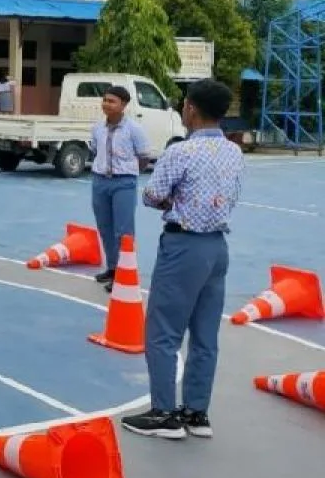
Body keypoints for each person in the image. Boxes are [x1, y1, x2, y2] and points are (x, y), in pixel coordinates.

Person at [121, 79, 243, 440]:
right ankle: (196, 411)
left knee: (162, 332)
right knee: (205, 335)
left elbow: (153, 195)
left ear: (190, 108)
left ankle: (163, 413)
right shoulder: (235, 153)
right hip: (217, 247)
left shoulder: (181, 152)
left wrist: (172, 201)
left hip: (184, 244)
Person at [88, 85, 149, 293]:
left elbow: (144, 156)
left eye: (112, 101)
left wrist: (129, 175)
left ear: (123, 105)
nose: (106, 104)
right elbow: (95, 150)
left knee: (123, 232)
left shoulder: (134, 129)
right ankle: (113, 268)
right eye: (105, 100)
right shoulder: (98, 128)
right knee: (105, 228)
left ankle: (124, 274)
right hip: (100, 182)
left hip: (124, 183)